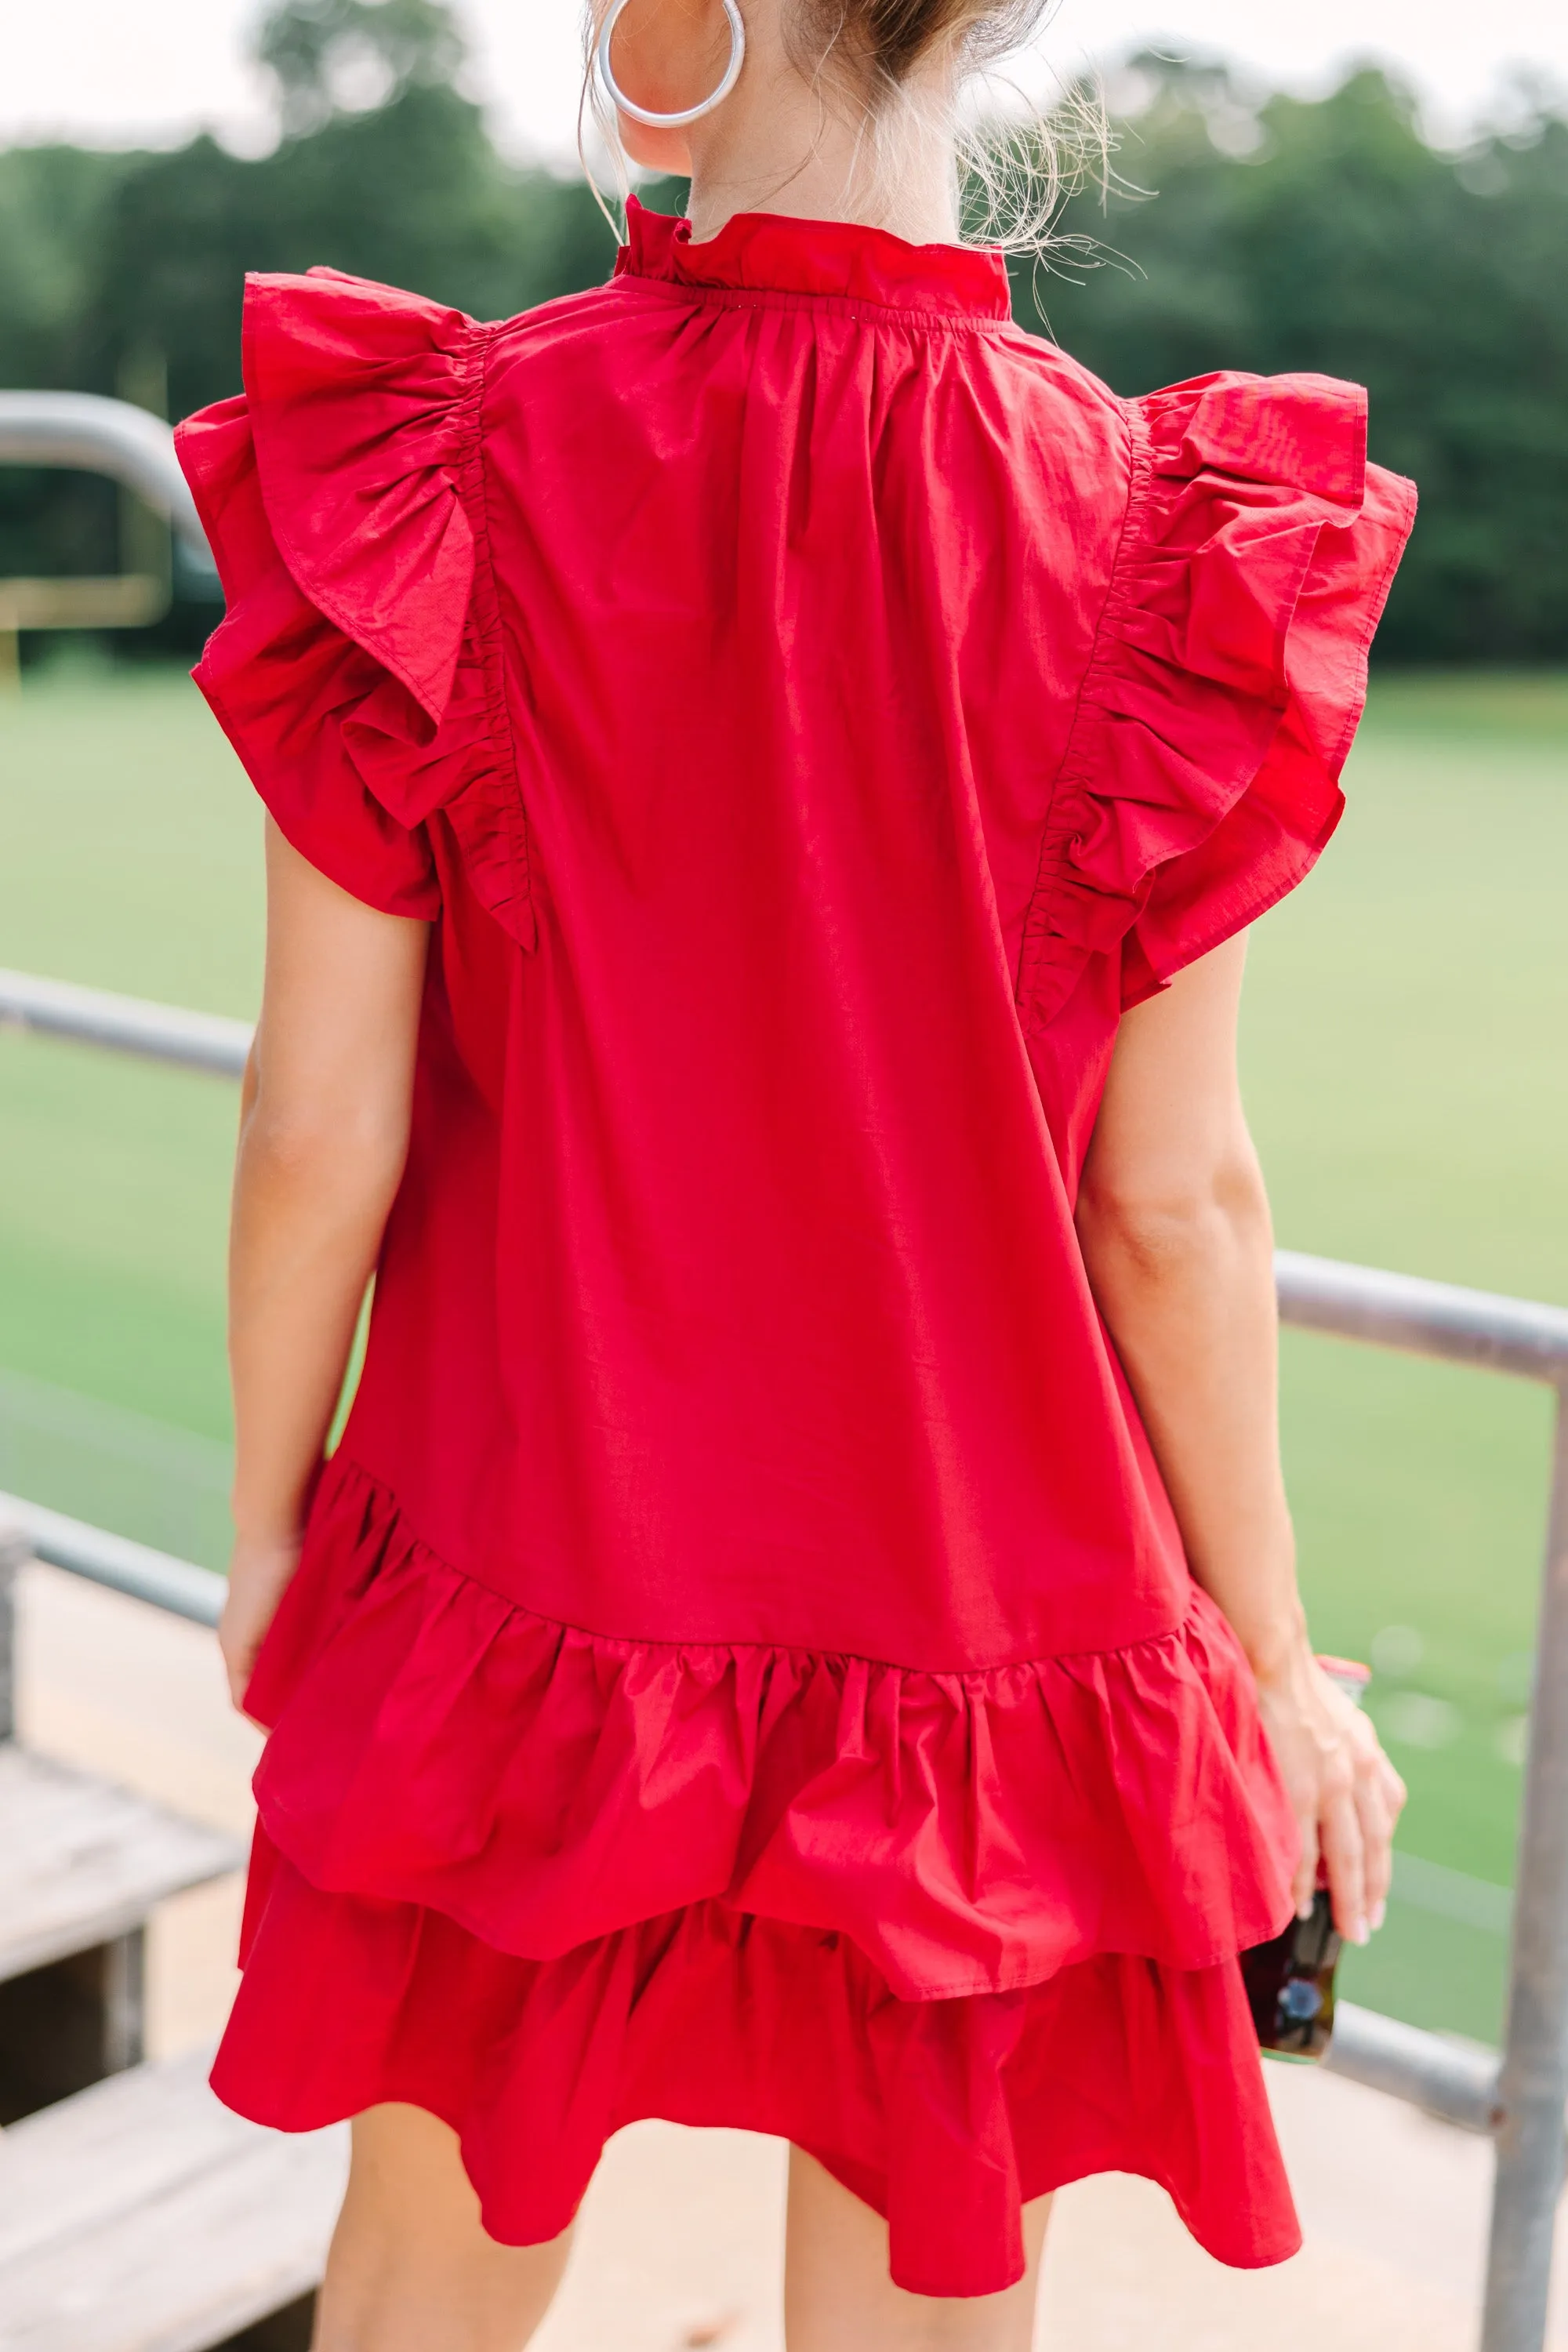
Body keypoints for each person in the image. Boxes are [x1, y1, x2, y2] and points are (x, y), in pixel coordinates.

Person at [176, 0, 1414, 2344]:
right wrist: (1270, 1659)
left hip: (514, 1585)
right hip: (985, 1634)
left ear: (667, 31)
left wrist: (264, 1532)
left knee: (428, 2278)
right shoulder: (1167, 535)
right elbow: (1177, 1207)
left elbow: (313, 1121)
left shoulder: (434, 466)